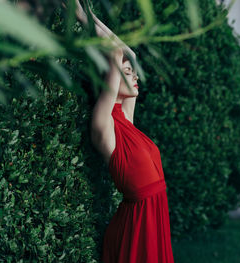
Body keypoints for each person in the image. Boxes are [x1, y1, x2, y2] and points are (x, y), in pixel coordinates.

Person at [75, 1, 175, 262]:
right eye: (128, 73)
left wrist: (88, 14)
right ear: (110, 76)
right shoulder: (104, 124)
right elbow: (118, 53)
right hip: (136, 225)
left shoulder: (126, 119)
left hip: (154, 217)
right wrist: (77, 13)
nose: (135, 77)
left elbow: (128, 53)